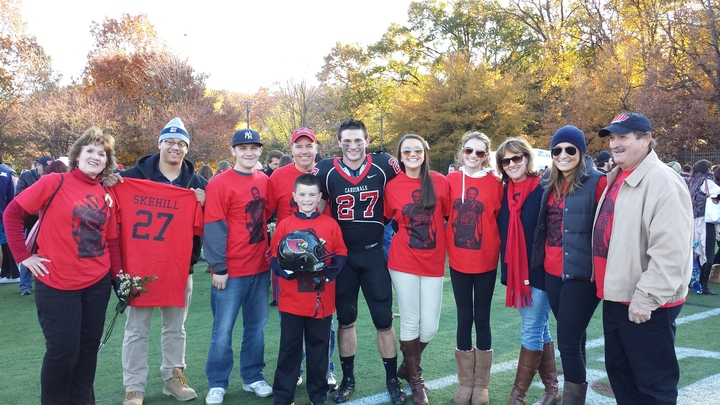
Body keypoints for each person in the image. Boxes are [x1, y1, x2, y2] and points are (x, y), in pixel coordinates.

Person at [3, 126, 120, 404]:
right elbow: (12, 213)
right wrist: (23, 257)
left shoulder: (108, 194)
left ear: (107, 161)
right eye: (89, 150)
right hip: (56, 282)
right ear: (77, 155)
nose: (95, 156)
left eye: (102, 153)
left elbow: (112, 241)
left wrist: (117, 278)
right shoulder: (54, 181)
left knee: (89, 348)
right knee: (63, 351)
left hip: (97, 283)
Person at [593, 112, 692, 404]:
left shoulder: (662, 181)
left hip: (644, 304)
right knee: (623, 379)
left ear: (646, 139)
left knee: (653, 387)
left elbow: (671, 249)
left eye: (623, 136)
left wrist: (646, 297)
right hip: (617, 297)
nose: (615, 143)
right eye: (612, 137)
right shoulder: (620, 174)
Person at [114, 117, 208, 405]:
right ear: (159, 144)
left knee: (175, 328)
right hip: (139, 267)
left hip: (179, 267)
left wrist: (204, 201)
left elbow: (210, 223)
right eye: (169, 141)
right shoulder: (131, 177)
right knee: (136, 329)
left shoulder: (198, 182)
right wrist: (110, 182)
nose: (175, 147)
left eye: (181, 143)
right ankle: (134, 387)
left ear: (187, 148)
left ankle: (172, 378)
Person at [313, 119, 405, 404]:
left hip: (374, 253)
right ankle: (348, 378)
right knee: (346, 321)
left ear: (367, 141)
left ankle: (392, 379)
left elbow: (408, 185)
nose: (353, 146)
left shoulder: (385, 165)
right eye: (347, 141)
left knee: (383, 321)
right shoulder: (326, 171)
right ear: (338, 143)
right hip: (344, 257)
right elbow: (312, 205)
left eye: (358, 140)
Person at [531, 126, 607, 404]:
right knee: (575, 336)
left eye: (570, 149)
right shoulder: (548, 182)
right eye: (557, 150)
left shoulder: (598, 182)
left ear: (581, 152)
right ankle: (576, 394)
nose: (563, 155)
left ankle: (573, 400)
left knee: (568, 341)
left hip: (582, 274)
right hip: (552, 272)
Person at [203, 129, 272, 404]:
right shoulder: (220, 183)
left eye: (254, 147)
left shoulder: (266, 180)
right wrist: (218, 267)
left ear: (260, 150)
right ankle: (217, 382)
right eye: (242, 147)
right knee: (222, 331)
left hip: (259, 267)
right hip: (230, 272)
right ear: (233, 151)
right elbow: (214, 227)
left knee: (256, 328)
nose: (249, 152)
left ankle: (252, 376)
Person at [266, 128, 338, 388]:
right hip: (291, 265)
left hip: (320, 261)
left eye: (309, 145)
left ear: (316, 148)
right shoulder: (278, 177)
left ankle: (326, 370)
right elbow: (264, 211)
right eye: (299, 146)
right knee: (291, 324)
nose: (304, 150)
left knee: (323, 324)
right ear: (292, 149)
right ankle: (294, 370)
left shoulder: (325, 174)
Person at [270, 173, 348, 405]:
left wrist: (327, 271)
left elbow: (341, 254)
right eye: (302, 194)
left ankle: (318, 394)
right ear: (294, 196)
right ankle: (284, 395)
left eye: (311, 195)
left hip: (320, 301)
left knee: (319, 350)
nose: (307, 199)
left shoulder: (330, 224)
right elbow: (275, 258)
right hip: (291, 300)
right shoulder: (285, 225)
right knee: (289, 349)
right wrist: (286, 271)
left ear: (319, 197)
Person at [385, 134, 450, 405]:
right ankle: (416, 381)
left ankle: (406, 367)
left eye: (418, 150)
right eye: (407, 150)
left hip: (434, 261)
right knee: (411, 321)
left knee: (430, 327)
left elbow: (446, 217)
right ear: (400, 156)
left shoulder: (441, 182)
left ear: (424, 153)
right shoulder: (392, 186)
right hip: (403, 261)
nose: (413, 154)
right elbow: (388, 220)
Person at [444, 132, 502, 405]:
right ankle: (465, 382)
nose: (473, 157)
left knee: (483, 317)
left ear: (486, 155)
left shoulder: (495, 183)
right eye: (469, 151)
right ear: (462, 152)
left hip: (486, 261)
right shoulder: (451, 181)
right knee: (464, 317)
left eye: (480, 153)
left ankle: (481, 385)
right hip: (458, 261)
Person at [495, 137, 554, 405]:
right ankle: (552, 391)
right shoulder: (503, 191)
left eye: (516, 158)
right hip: (515, 272)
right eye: (505, 160)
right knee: (540, 329)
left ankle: (517, 397)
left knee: (531, 329)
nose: (511, 164)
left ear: (527, 159)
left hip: (539, 271)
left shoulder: (544, 188)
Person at [688, 159, 719, 296]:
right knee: (708, 253)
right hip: (706, 220)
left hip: (693, 221)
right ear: (707, 170)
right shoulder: (707, 181)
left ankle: (695, 281)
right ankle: (704, 284)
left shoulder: (692, 181)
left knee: (697, 251)